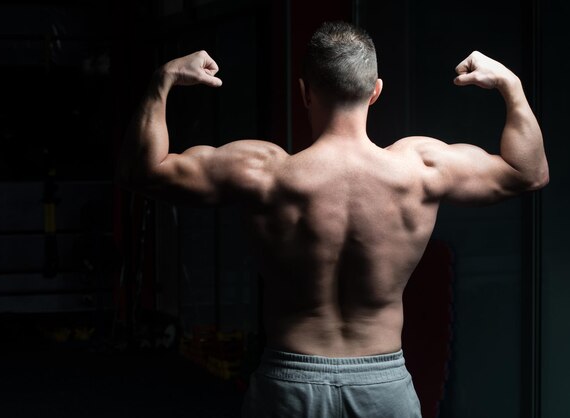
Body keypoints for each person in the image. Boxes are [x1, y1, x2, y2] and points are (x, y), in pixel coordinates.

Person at [117, 21, 548, 418]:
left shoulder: (262, 171)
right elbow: (528, 172)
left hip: (289, 384)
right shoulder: (420, 168)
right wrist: (511, 86)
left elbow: (144, 171)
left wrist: (163, 81)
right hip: (384, 387)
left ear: (305, 92)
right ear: (376, 91)